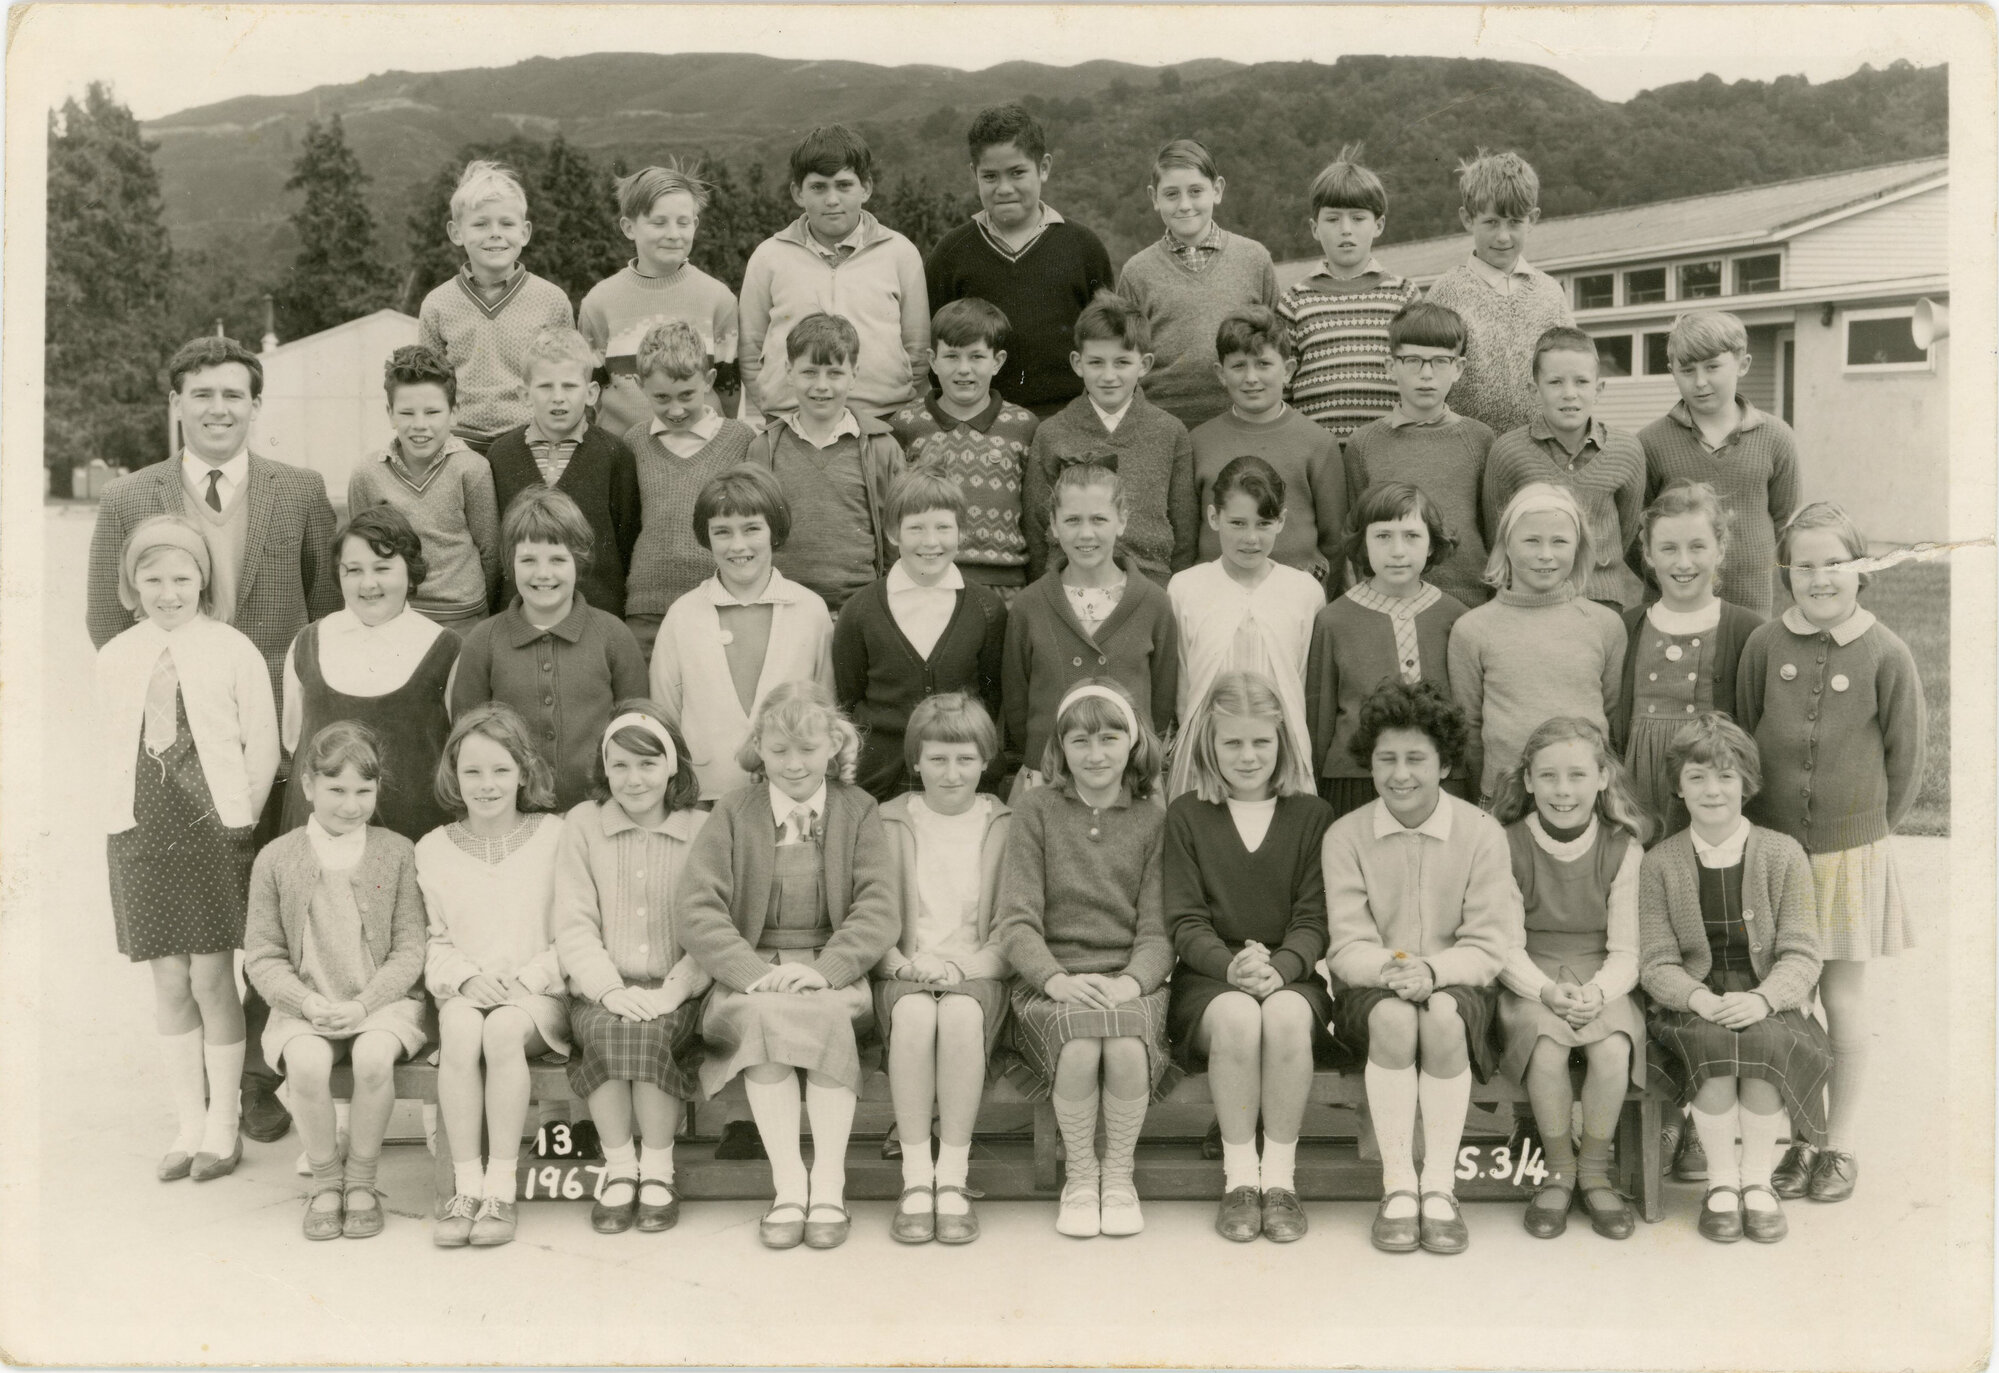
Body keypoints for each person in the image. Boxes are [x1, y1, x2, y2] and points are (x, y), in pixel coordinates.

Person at [85, 333, 340, 1145]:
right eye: (202, 395)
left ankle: (264, 1078)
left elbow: (324, 607)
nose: (219, 409)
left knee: (272, 910)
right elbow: (105, 620)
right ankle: (198, 1102)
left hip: (280, 737)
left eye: (234, 394)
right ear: (177, 405)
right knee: (188, 941)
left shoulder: (299, 490)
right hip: (184, 759)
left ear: (255, 404)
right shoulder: (132, 496)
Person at [1736, 502, 1927, 1205]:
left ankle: (1837, 1145)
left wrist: (1863, 833)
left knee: (1840, 998)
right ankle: (1797, 1138)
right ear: (1787, 571)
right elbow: (1742, 725)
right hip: (1774, 855)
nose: (1820, 578)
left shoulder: (1885, 653)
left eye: (1835, 563)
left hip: (1849, 856)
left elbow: (1905, 765)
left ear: (1862, 569)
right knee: (1784, 1002)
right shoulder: (1764, 643)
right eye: (1805, 564)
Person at [676, 682, 901, 1251]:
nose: (794, 764)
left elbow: (878, 906)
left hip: (831, 970)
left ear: (834, 745)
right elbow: (697, 909)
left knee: (825, 1017)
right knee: (760, 1020)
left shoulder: (859, 811)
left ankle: (828, 1184)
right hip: (752, 971)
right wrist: (750, 973)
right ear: (759, 750)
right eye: (779, 751)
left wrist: (828, 969)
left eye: (808, 749)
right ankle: (787, 1185)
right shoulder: (734, 811)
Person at [97, 516, 279, 1182]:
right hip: (141, 826)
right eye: (153, 578)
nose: (168, 591)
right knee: (168, 979)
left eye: (182, 577)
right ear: (132, 583)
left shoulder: (232, 649)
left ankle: (224, 1126)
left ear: (204, 579)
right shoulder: (116, 656)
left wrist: (241, 821)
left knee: (211, 977)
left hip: (213, 826)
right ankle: (187, 1123)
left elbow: (261, 746)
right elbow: (109, 747)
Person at [1321, 681, 1522, 1255]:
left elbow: (1488, 944)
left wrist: (1432, 973)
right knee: (1392, 1022)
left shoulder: (1481, 833)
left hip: (1456, 987)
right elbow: (1347, 944)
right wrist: (1396, 970)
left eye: (1416, 759)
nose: (1400, 774)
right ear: (1370, 763)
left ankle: (1439, 1185)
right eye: (1387, 759)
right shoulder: (1346, 835)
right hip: (1373, 987)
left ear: (1445, 764)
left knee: (1437, 1019)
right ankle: (1397, 1187)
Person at [993, 680, 1176, 1238]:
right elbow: (1016, 920)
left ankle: (1118, 1175)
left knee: (1121, 1040)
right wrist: (1052, 980)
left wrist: (1132, 982)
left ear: (1133, 743)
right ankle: (1080, 1176)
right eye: (1080, 741)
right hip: (1052, 981)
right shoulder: (1036, 811)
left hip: (1130, 981)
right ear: (1060, 749)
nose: (1096, 754)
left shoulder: (1153, 817)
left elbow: (1157, 928)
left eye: (1110, 738)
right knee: (1077, 1043)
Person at [1639, 713, 1830, 1244]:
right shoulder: (1660, 864)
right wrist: (1697, 998)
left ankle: (1757, 1182)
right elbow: (1656, 961)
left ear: (1748, 783)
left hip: (1767, 993)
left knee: (1765, 1041)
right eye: (1696, 777)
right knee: (1712, 1042)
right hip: (1695, 997)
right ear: (1678, 788)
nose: (1712, 789)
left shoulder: (1782, 853)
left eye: (1725, 776)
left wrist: (1766, 998)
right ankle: (1722, 1183)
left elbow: (1801, 953)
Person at [1162, 671, 1335, 1243]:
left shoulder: (1311, 815)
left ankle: (1279, 1180)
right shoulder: (1188, 813)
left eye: (1261, 741)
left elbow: (1314, 920)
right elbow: (1185, 920)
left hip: (1292, 971)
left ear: (1282, 740)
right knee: (1239, 1018)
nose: (1248, 754)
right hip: (1211, 977)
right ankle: (1240, 1179)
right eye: (1232, 742)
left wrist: (1282, 968)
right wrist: (1232, 967)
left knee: (1285, 1016)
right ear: (1209, 744)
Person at [243, 722, 428, 1241]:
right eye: (337, 790)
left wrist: (365, 1004)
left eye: (364, 791)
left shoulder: (396, 851)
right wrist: (304, 1000)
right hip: (307, 1003)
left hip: (383, 1002)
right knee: (305, 1063)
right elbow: (262, 955)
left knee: (372, 1060)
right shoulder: (276, 858)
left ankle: (363, 1181)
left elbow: (411, 948)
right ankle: (327, 1182)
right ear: (307, 786)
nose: (351, 805)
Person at [552, 704, 713, 1237]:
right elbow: (573, 923)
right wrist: (607, 989)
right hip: (603, 987)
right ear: (604, 769)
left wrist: (675, 991)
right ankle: (620, 1168)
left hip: (677, 989)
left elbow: (718, 927)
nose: (633, 779)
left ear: (672, 767)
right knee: (606, 1032)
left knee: (649, 1036)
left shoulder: (705, 829)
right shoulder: (583, 825)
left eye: (647, 764)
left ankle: (659, 1171)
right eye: (619, 766)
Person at [1490, 718, 1651, 1241]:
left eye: (1578, 775)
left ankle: (1594, 1171)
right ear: (1529, 781)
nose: (1564, 790)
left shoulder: (1623, 847)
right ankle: (1558, 1168)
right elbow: (1505, 945)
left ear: (1603, 778)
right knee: (1546, 1047)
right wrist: (1544, 992)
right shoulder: (1506, 845)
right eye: (1550, 776)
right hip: (1531, 976)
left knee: (1610, 1050)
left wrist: (1599, 993)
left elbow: (1628, 949)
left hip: (1603, 974)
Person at [418, 703, 569, 1248]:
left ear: (524, 772)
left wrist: (529, 979)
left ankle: (501, 1189)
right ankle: (465, 1188)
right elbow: (434, 940)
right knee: (460, 1029)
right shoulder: (432, 849)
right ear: (453, 775)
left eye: (501, 770)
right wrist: (462, 981)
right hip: (470, 990)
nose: (487, 784)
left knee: (503, 1029)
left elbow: (572, 932)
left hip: (539, 995)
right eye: (473, 772)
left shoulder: (555, 835)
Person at [873, 693, 1013, 1244]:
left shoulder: (1005, 822)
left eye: (964, 759)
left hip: (979, 973)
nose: (951, 773)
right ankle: (914, 1179)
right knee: (912, 1018)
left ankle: (951, 1179)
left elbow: (1015, 923)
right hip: (903, 968)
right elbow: (871, 913)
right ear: (915, 760)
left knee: (957, 1019)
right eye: (937, 759)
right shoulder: (887, 821)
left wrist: (971, 966)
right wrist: (902, 964)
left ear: (985, 760)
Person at [451, 487, 649, 810]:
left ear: (579, 562)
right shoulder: (482, 641)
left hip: (600, 813)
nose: (543, 574)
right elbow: (467, 743)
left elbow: (637, 732)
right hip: (512, 818)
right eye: (528, 560)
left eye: (558, 559)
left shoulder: (613, 635)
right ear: (510, 563)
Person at [651, 465, 835, 802]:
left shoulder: (810, 610)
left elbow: (826, 706)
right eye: (722, 532)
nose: (738, 546)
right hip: (705, 798)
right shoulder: (683, 615)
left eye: (751, 529)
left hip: (791, 794)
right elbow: (665, 713)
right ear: (706, 537)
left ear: (773, 531)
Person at [278, 506, 459, 842]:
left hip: (416, 835)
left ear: (410, 572)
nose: (369, 583)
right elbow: (295, 740)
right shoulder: (308, 642)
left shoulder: (444, 648)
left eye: (383, 568)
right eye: (353, 570)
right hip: (320, 838)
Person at [924, 103, 1114, 419]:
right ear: (974, 174)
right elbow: (933, 350)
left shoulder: (1084, 247)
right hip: (980, 423)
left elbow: (1108, 341)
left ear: (1044, 167)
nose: (1004, 189)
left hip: (1069, 420)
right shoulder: (950, 252)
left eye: (1017, 172)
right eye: (990, 176)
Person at [1002, 459, 1177, 798]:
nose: (1086, 534)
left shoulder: (1154, 603)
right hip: (1049, 780)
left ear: (1122, 521)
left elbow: (1161, 702)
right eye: (1072, 520)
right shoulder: (1029, 605)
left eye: (1099, 519)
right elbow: (1017, 702)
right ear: (1053, 525)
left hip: (1129, 781)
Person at [832, 467, 1007, 800]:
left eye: (943, 527)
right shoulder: (860, 611)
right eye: (916, 528)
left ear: (961, 533)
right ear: (893, 533)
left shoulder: (986, 609)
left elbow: (992, 696)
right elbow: (848, 698)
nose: (930, 542)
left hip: (962, 781)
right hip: (882, 781)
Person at [738, 123, 929, 421]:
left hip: (882, 419)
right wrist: (773, 407)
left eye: (843, 185)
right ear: (797, 193)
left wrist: (893, 409)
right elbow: (750, 350)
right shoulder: (768, 257)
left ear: (865, 188)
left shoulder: (900, 253)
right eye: (818, 187)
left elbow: (917, 349)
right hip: (790, 420)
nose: (831, 199)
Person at [1448, 483, 1626, 802]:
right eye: (1531, 541)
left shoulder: (1605, 624)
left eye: (1559, 541)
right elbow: (1470, 730)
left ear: (1579, 548)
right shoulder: (1472, 629)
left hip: (1586, 800)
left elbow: (1612, 717)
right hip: (1506, 799)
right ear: (1505, 544)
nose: (1545, 554)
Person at [1305, 482, 1470, 817]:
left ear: (1431, 544)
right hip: (1354, 783)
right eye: (1383, 536)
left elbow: (1466, 712)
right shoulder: (1334, 620)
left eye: (1411, 536)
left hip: (1440, 781)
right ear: (1362, 544)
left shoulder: (1457, 618)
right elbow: (1318, 719)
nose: (1398, 550)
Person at [1613, 479, 1764, 835]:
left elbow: (1754, 727)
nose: (1683, 562)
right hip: (1639, 786)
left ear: (1720, 549)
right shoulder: (1627, 626)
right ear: (1648, 554)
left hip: (1710, 787)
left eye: (1698, 547)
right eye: (1668, 548)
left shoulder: (1746, 630)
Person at [1165, 456, 1322, 799]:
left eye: (1264, 523)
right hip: (1205, 760)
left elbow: (1306, 684)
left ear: (1281, 521)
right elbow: (1181, 688)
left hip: (1281, 755)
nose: (1250, 538)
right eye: (1237, 523)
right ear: (1213, 517)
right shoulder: (1185, 588)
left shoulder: (1304, 592)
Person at [1022, 292, 1198, 587]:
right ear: (1077, 363)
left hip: (1150, 586)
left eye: (1121, 362)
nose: (1108, 376)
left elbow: (1185, 531)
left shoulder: (1170, 432)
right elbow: (1037, 527)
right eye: (1096, 363)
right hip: (1069, 585)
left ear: (1144, 364)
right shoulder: (1051, 433)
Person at [1640, 310, 1803, 616]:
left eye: (1712, 367)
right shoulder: (1650, 443)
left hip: (1751, 609)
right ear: (1671, 371)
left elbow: (1787, 527)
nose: (1700, 381)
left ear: (1743, 364)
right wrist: (1673, 577)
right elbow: (1635, 534)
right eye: (1687, 370)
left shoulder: (1777, 438)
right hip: (1672, 611)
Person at [745, 312, 908, 616]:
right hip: (782, 608)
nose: (822, 386)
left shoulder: (881, 447)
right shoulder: (764, 448)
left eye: (834, 373)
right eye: (809, 372)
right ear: (789, 371)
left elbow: (897, 538)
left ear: (854, 374)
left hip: (860, 609)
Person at [1114, 139, 1278, 428]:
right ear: (1154, 197)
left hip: (1244, 419)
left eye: (1196, 191)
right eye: (1171, 194)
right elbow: (1124, 358)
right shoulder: (1136, 272)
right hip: (1163, 425)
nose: (1185, 205)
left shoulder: (1255, 259)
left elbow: (1276, 345)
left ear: (1217, 190)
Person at [1341, 302, 1496, 607]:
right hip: (1389, 599)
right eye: (1413, 360)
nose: (1427, 374)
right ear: (1390, 366)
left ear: (1458, 368)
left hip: (1469, 600)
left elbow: (1494, 532)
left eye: (1440, 361)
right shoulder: (1363, 443)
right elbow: (1357, 537)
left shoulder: (1480, 439)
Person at [619, 321, 757, 661]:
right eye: (662, 398)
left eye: (687, 396)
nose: (676, 410)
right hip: (647, 608)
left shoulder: (741, 440)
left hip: (717, 601)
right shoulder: (634, 442)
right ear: (640, 386)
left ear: (708, 382)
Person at [885, 297, 1039, 603]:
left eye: (976, 357)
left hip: (1006, 585)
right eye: (952, 356)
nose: (964, 369)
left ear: (997, 361)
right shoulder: (906, 425)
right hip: (926, 581)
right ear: (932, 360)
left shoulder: (1024, 426)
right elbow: (895, 511)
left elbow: (1034, 515)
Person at [417, 160, 574, 454]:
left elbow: (567, 379)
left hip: (532, 443)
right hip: (461, 446)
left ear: (525, 232)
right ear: (456, 232)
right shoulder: (437, 304)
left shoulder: (551, 300)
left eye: (506, 223)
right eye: (480, 224)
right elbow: (430, 388)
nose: (495, 233)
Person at [1483, 327, 1646, 610]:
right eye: (1556, 382)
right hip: (1531, 599)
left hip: (1602, 601)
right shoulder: (1508, 451)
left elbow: (1627, 529)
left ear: (1599, 389)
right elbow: (1496, 532)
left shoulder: (1626, 451)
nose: (1569, 394)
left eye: (1581, 381)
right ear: (1535, 391)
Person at [484, 327, 643, 619]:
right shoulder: (501, 454)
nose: (558, 398)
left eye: (569, 386)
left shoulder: (614, 455)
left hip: (596, 612)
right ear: (524, 394)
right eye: (545, 387)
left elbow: (626, 540)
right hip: (521, 613)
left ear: (591, 393)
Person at [580, 160, 741, 436]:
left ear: (696, 224)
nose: (673, 234)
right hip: (623, 456)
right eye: (659, 222)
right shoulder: (599, 302)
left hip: (700, 452)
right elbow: (588, 394)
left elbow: (729, 394)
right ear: (628, 227)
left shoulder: (718, 299)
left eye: (683, 222)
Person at [346, 344, 501, 630]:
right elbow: (359, 554)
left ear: (454, 413)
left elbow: (490, 553)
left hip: (463, 617)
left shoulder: (473, 469)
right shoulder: (366, 474)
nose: (420, 425)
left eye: (432, 412)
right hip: (394, 617)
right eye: (407, 413)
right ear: (390, 413)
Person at [1421, 149, 1575, 437]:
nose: (1503, 236)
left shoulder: (1550, 294)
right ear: (1468, 219)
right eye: (1491, 222)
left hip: (1538, 450)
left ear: (1533, 219)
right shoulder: (1445, 292)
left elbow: (1573, 371)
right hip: (1463, 450)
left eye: (1515, 222)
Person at [1274, 145, 1423, 441]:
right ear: (1315, 228)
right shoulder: (1293, 302)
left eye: (1357, 218)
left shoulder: (1404, 296)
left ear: (1378, 225)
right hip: (1318, 457)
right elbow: (1282, 391)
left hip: (1389, 453)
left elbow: (1419, 378)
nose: (1345, 229)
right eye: (1333, 219)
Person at [1189, 307, 1346, 585]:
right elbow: (1187, 538)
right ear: (1221, 373)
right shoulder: (1198, 442)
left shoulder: (1318, 443)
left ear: (1287, 370)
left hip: (1296, 596)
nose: (1251, 378)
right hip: (1215, 594)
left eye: (1263, 364)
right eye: (1238, 366)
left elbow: (1334, 542)